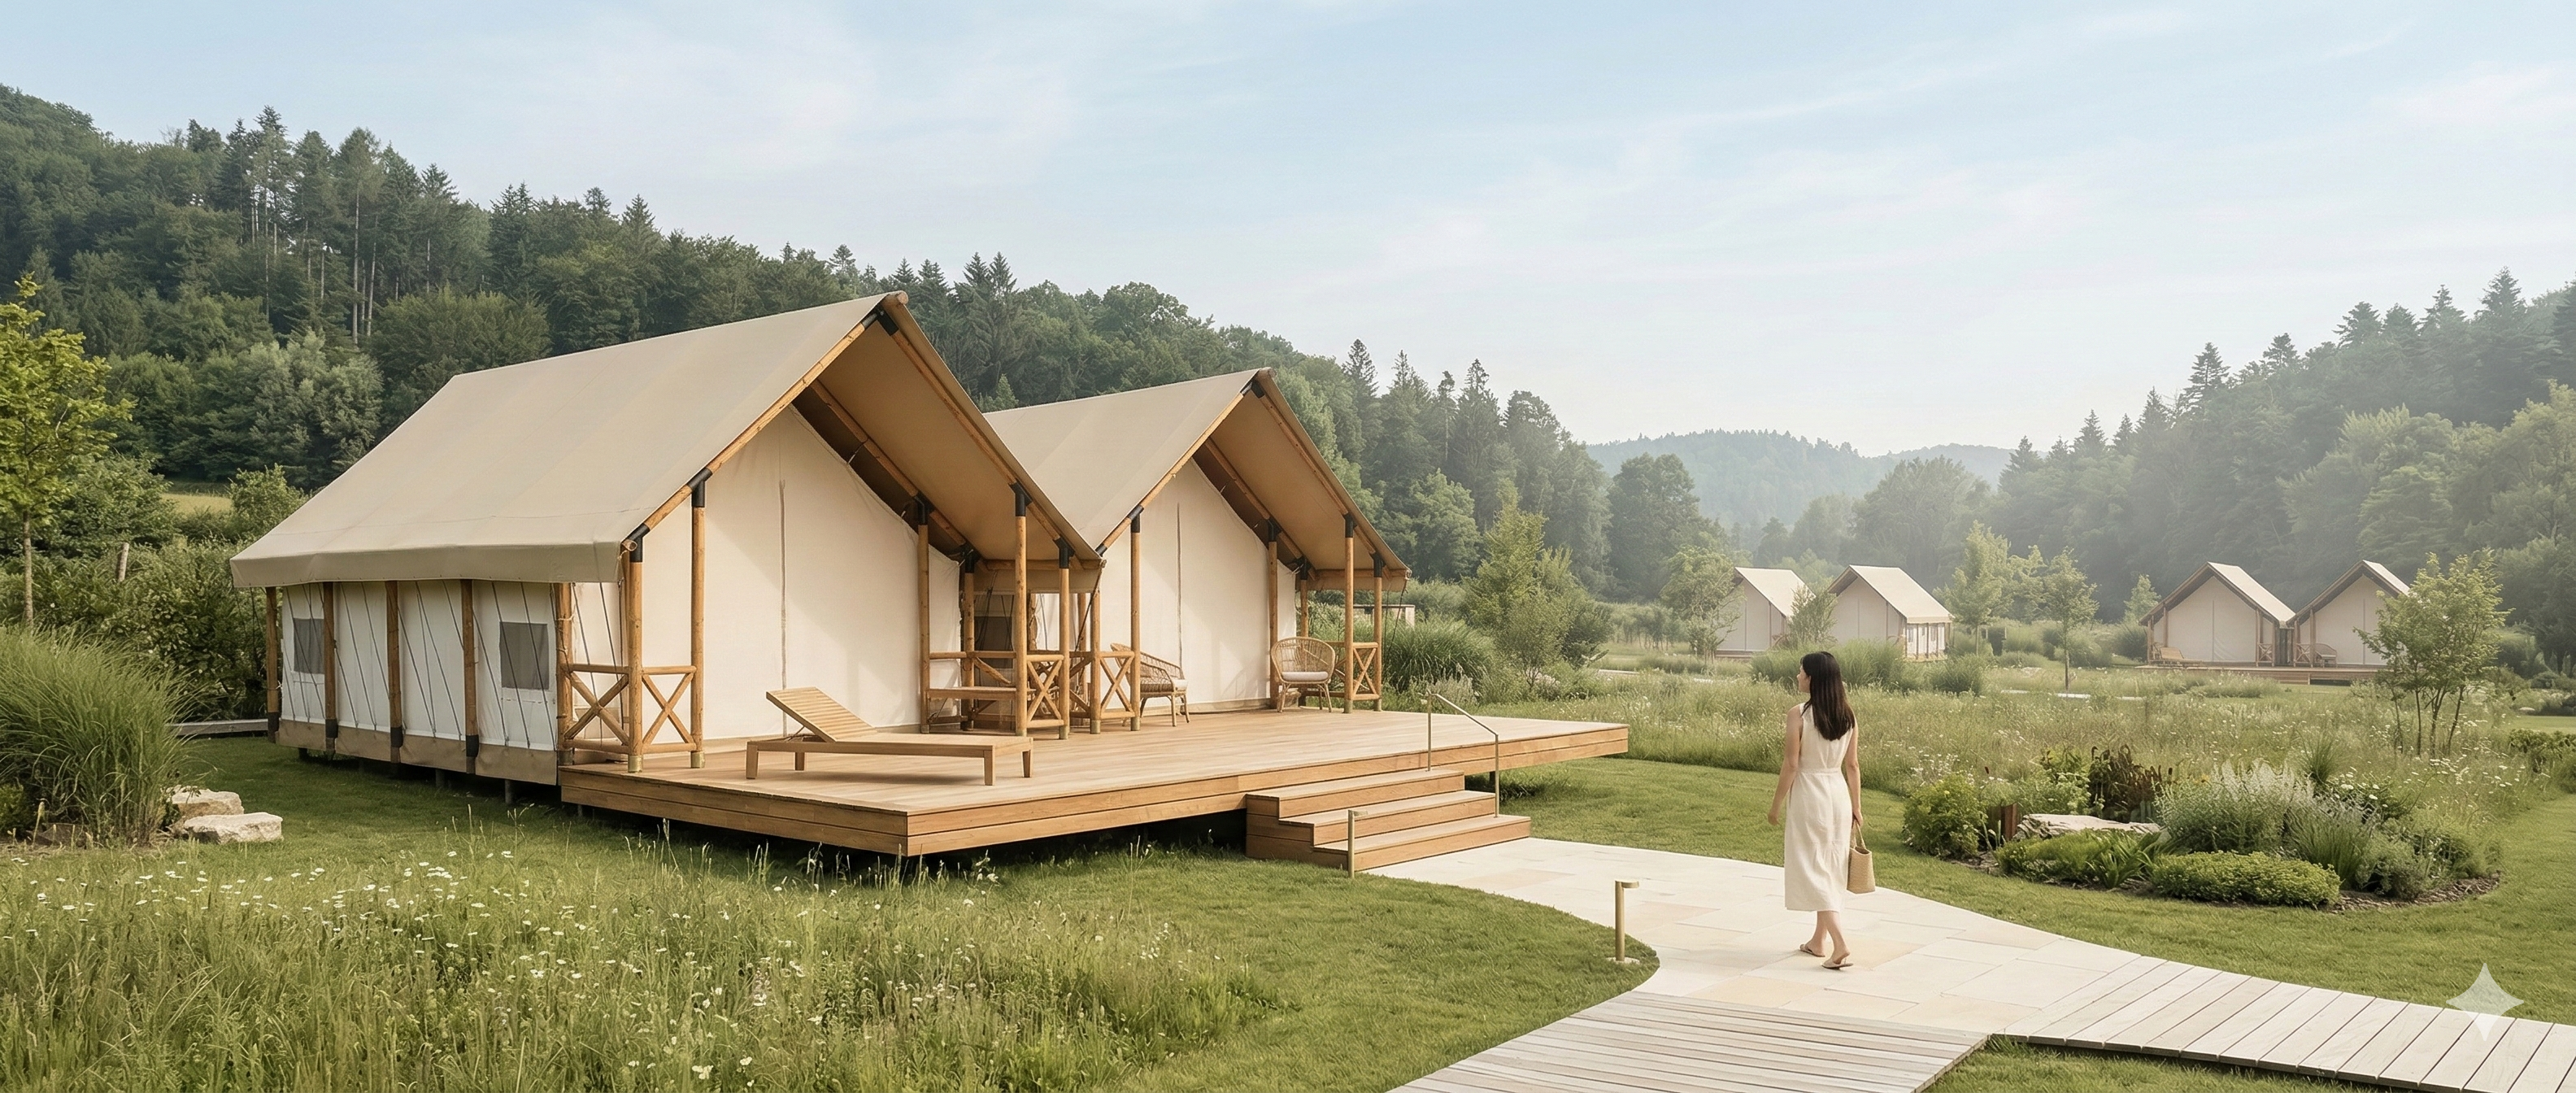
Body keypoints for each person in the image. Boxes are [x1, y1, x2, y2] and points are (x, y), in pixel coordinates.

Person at [1766, 649, 1864, 969]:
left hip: (1810, 794)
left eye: (1801, 672)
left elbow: (1792, 764)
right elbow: (1852, 766)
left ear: (1813, 678)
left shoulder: (1798, 714)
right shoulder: (1848, 715)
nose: (1797, 676)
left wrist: (1776, 804)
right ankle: (1818, 941)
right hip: (1837, 795)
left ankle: (1839, 944)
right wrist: (1857, 808)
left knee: (1813, 866)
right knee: (1830, 865)